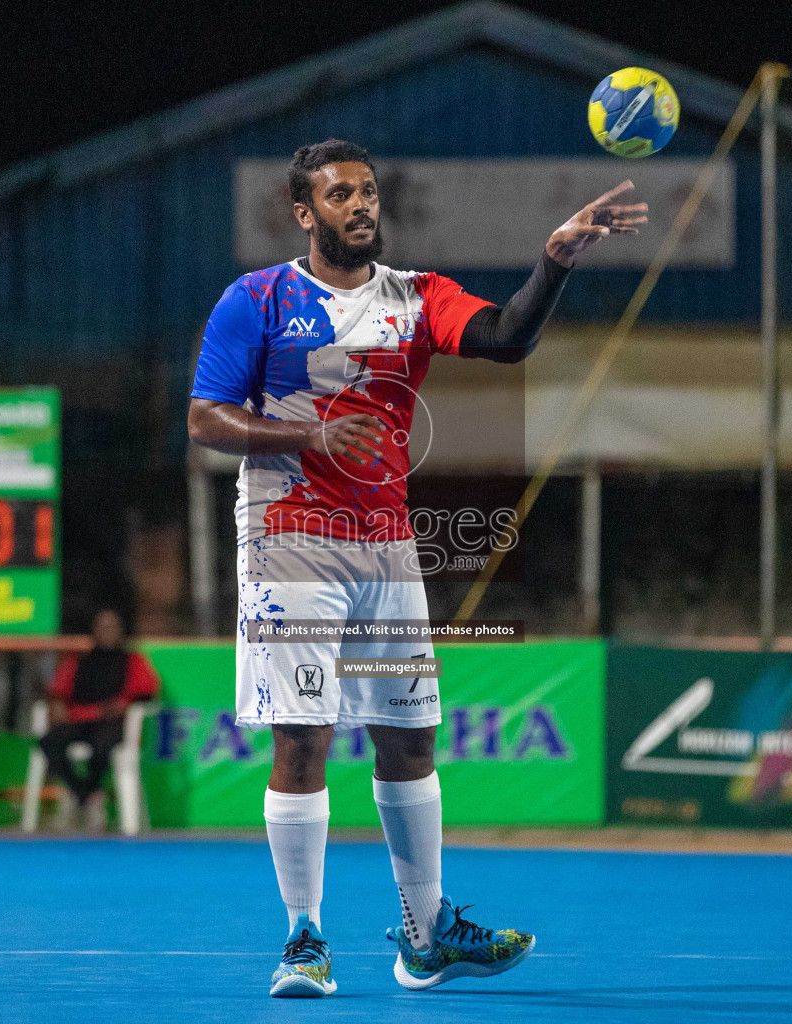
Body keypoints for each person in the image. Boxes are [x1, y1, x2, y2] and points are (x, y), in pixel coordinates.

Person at [187, 139, 646, 996]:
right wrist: (306, 435)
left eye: (367, 192)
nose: (359, 206)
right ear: (304, 211)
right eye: (339, 195)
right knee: (303, 736)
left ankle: (426, 934)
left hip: (386, 547)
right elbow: (206, 419)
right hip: (290, 538)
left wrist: (552, 263)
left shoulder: (415, 297)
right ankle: (303, 940)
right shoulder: (256, 300)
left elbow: (506, 339)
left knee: (409, 737)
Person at [39, 608, 159, 830]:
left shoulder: (132, 660)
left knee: (102, 745)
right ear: (94, 631)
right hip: (80, 720)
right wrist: (56, 705)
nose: (108, 632)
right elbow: (57, 691)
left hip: (112, 721)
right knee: (48, 741)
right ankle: (84, 794)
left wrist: (125, 704)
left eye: (112, 627)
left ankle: (84, 797)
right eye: (103, 627)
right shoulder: (80, 661)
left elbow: (147, 690)